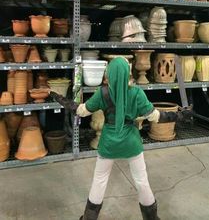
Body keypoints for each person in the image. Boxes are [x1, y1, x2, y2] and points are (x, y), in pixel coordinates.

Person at [50, 57, 181, 220]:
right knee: (141, 181)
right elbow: (155, 116)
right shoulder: (137, 93)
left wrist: (61, 99)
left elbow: (81, 111)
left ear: (109, 74)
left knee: (99, 180)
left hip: (108, 143)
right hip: (132, 143)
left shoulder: (103, 93)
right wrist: (179, 115)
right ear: (128, 74)